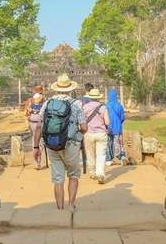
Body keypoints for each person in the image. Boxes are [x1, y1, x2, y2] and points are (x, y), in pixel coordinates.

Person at [34, 74, 87, 213]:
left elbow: (39, 126)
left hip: (52, 143)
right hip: (71, 144)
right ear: (70, 89)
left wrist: (36, 146)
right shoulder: (76, 104)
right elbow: (84, 127)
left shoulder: (47, 103)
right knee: (73, 175)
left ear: (57, 88)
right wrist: (79, 135)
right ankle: (71, 205)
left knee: (58, 178)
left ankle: (59, 209)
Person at [83, 88, 110, 184]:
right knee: (101, 154)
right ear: (98, 98)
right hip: (101, 133)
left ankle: (92, 172)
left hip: (89, 133)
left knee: (90, 153)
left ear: (90, 97)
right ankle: (100, 174)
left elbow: (82, 121)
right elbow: (107, 122)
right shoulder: (103, 108)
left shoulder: (85, 107)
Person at [25, 85, 46, 169]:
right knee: (40, 140)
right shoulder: (45, 100)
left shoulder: (30, 101)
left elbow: (26, 113)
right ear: (41, 91)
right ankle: (38, 160)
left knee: (34, 139)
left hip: (32, 121)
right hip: (41, 121)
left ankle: (36, 161)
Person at [105, 89, 127, 166]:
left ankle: (108, 159)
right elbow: (122, 118)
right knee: (119, 143)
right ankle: (122, 156)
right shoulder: (119, 106)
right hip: (117, 127)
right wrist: (119, 123)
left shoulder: (106, 106)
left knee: (108, 143)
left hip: (108, 128)